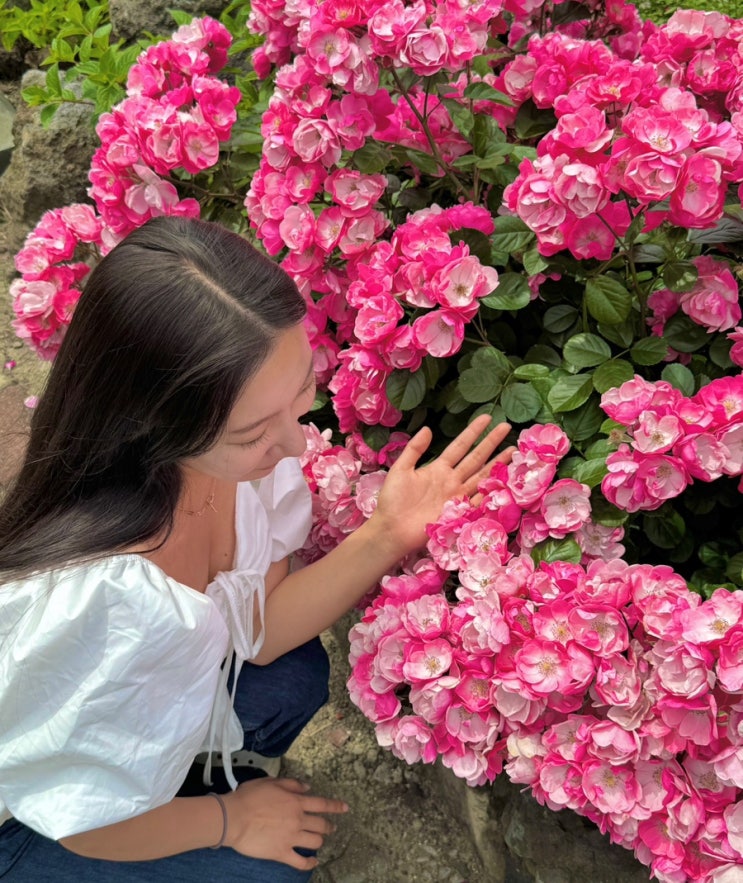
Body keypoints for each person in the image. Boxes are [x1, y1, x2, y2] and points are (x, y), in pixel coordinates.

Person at [0, 216, 512, 881]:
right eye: (252, 433)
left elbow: (262, 629)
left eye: (299, 392)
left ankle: (166, 773)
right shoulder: (110, 603)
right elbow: (85, 822)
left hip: (101, 724)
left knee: (291, 678)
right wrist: (232, 819)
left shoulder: (224, 462)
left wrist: (388, 531)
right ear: (149, 424)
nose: (297, 445)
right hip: (32, 811)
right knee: (268, 874)